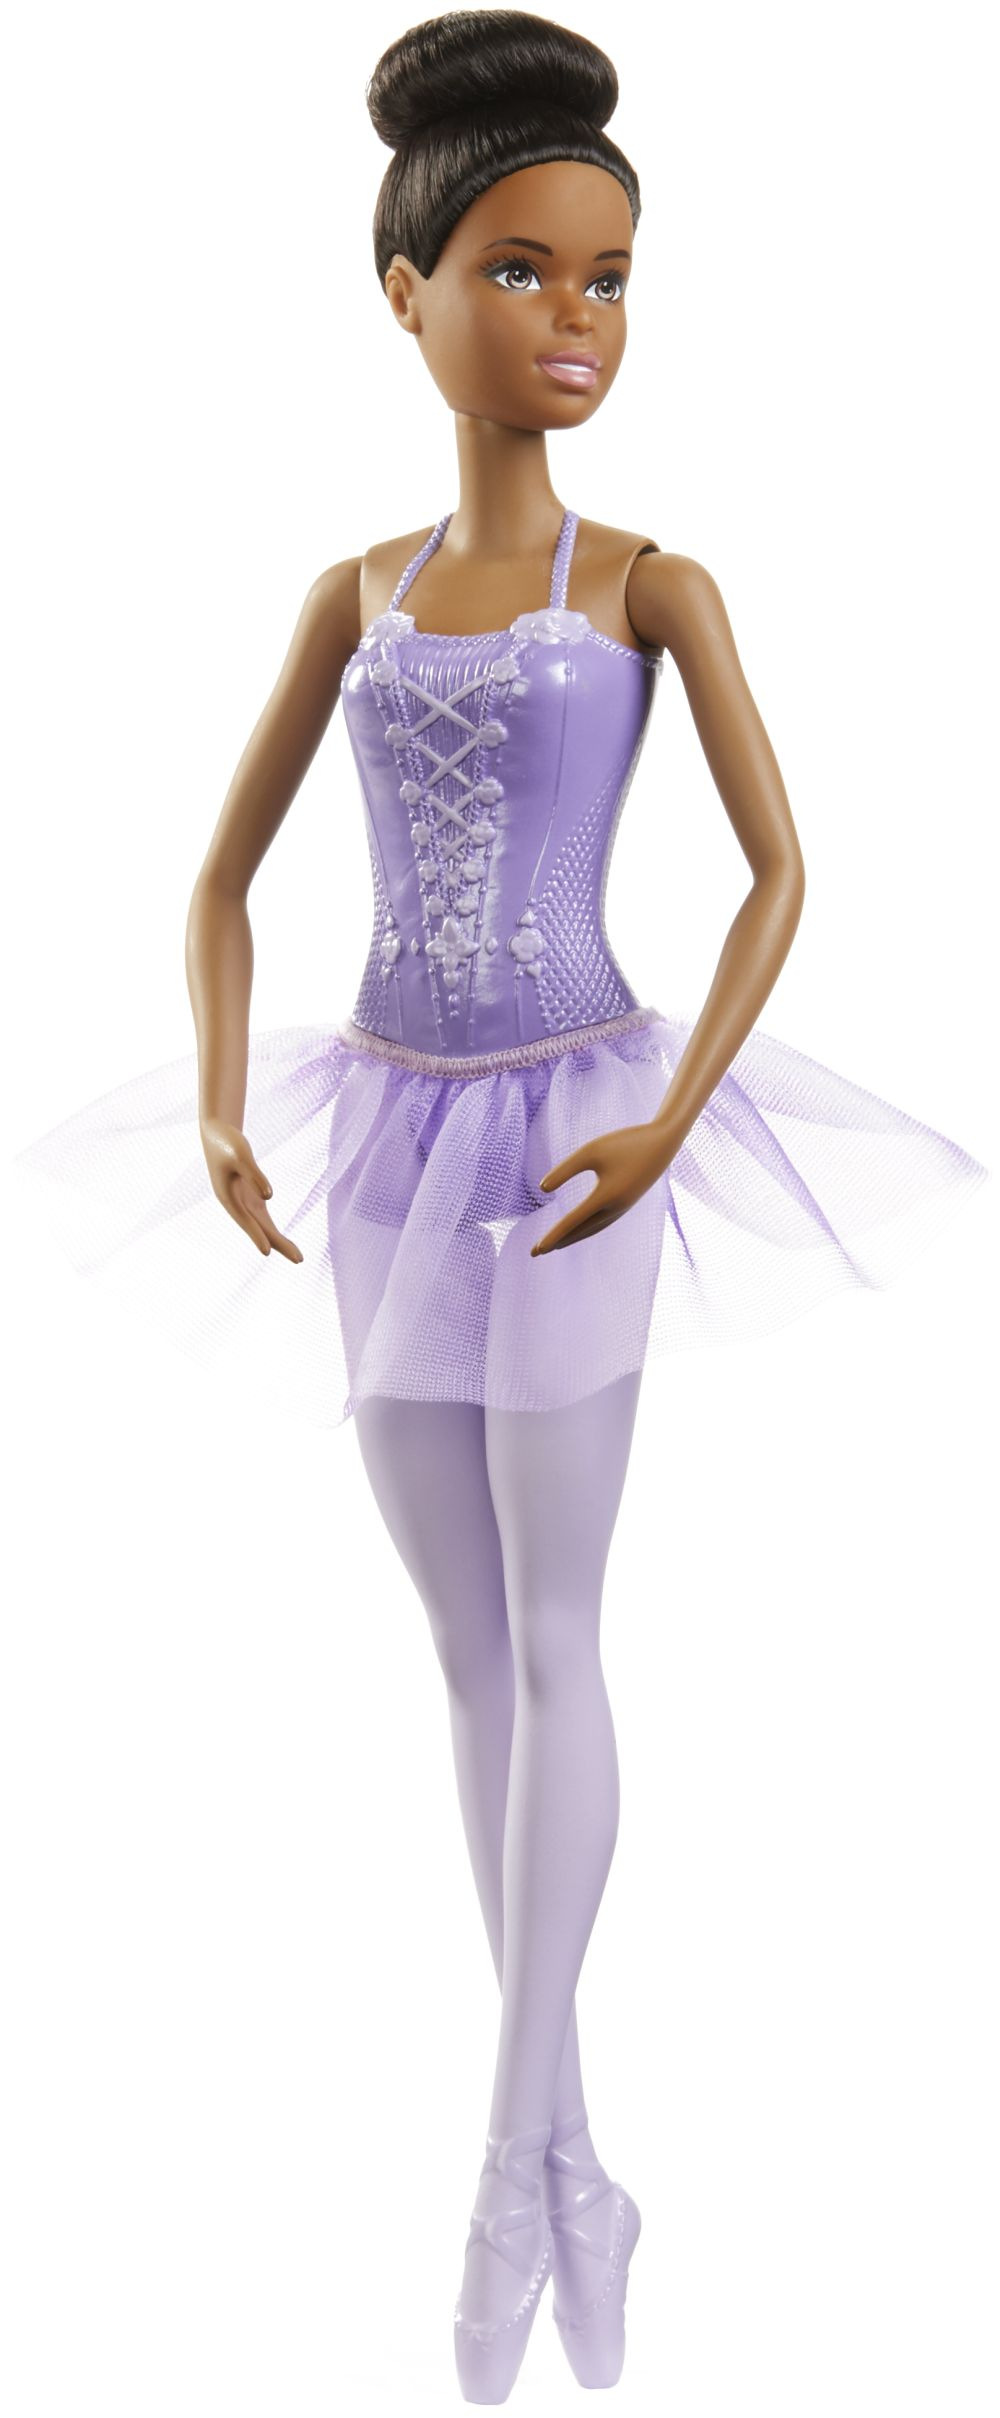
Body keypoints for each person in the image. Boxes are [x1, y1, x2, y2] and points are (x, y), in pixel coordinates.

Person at [11, 10, 989, 2403]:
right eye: (523, 271)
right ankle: (566, 2153)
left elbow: (778, 873)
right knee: (463, 1648)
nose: (574, 318)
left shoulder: (651, 583)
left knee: (558, 1629)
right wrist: (224, 1101)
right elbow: (219, 876)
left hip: (572, 1139)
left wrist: (669, 1123)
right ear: (407, 291)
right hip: (379, 1140)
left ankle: (503, 2155)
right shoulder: (346, 594)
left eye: (609, 279)